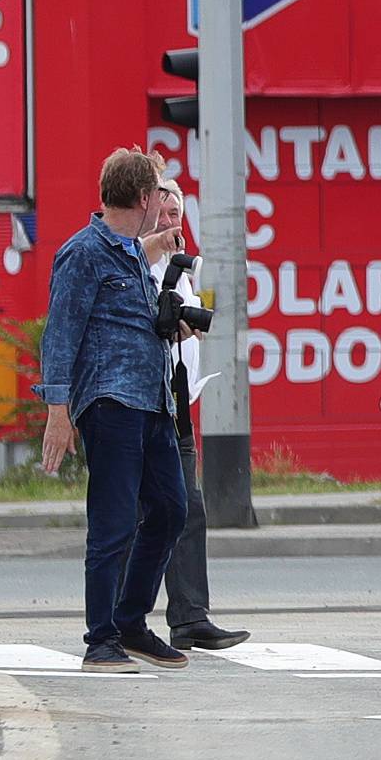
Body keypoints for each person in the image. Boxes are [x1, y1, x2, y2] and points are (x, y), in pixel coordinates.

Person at [38, 145, 194, 671]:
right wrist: (58, 412)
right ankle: (100, 638)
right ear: (146, 197)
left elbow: (132, 318)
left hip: (151, 403)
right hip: (109, 403)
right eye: (160, 195)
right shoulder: (83, 253)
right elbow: (61, 334)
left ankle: (130, 621)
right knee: (112, 522)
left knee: (172, 508)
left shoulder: (131, 249)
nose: (165, 204)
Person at [142, 174, 248, 654]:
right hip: (144, 404)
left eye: (178, 214)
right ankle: (121, 620)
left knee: (188, 508)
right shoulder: (134, 262)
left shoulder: (179, 268)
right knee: (137, 515)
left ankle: (190, 617)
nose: (173, 224)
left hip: (178, 401)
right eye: (165, 214)